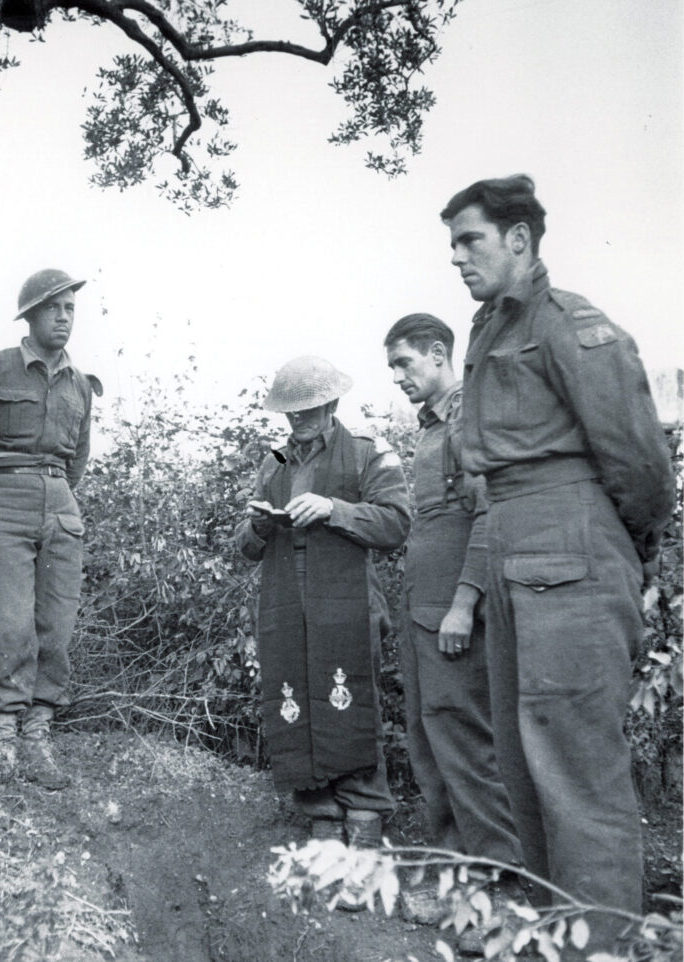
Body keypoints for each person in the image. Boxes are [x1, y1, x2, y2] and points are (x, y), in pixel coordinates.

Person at [441, 175, 675, 931]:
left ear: (519, 238)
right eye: (452, 245)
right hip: (513, 541)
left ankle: (601, 947)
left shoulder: (571, 325)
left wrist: (619, 555)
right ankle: (555, 939)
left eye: (469, 239)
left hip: (569, 545)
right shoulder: (491, 329)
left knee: (576, 773)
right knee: (524, 766)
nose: (457, 257)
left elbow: (640, 466)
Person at [235, 356, 410, 850]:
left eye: (308, 410)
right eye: (290, 413)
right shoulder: (275, 464)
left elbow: (397, 523)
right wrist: (259, 525)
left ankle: (366, 816)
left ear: (332, 403)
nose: (298, 421)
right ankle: (321, 815)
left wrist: (335, 509)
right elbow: (246, 545)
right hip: (287, 599)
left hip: (347, 600)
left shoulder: (365, 455)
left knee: (351, 696)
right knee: (298, 698)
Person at [0, 269, 101, 790]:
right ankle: (1, 734)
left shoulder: (80, 384)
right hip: (1, 498)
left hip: (60, 502)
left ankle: (38, 728)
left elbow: (77, 458)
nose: (64, 317)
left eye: (70, 309)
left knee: (56, 626)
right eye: (53, 308)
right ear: (30, 316)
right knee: (12, 624)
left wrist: (53, 491)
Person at [384, 313, 520, 867]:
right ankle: (455, 870)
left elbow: (491, 517)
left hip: (453, 615)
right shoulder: (433, 427)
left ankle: (499, 879)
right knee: (429, 741)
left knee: (465, 746)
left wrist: (465, 604)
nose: (396, 376)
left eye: (404, 362)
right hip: (424, 612)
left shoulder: (468, 417)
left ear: (439, 353)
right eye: (392, 366)